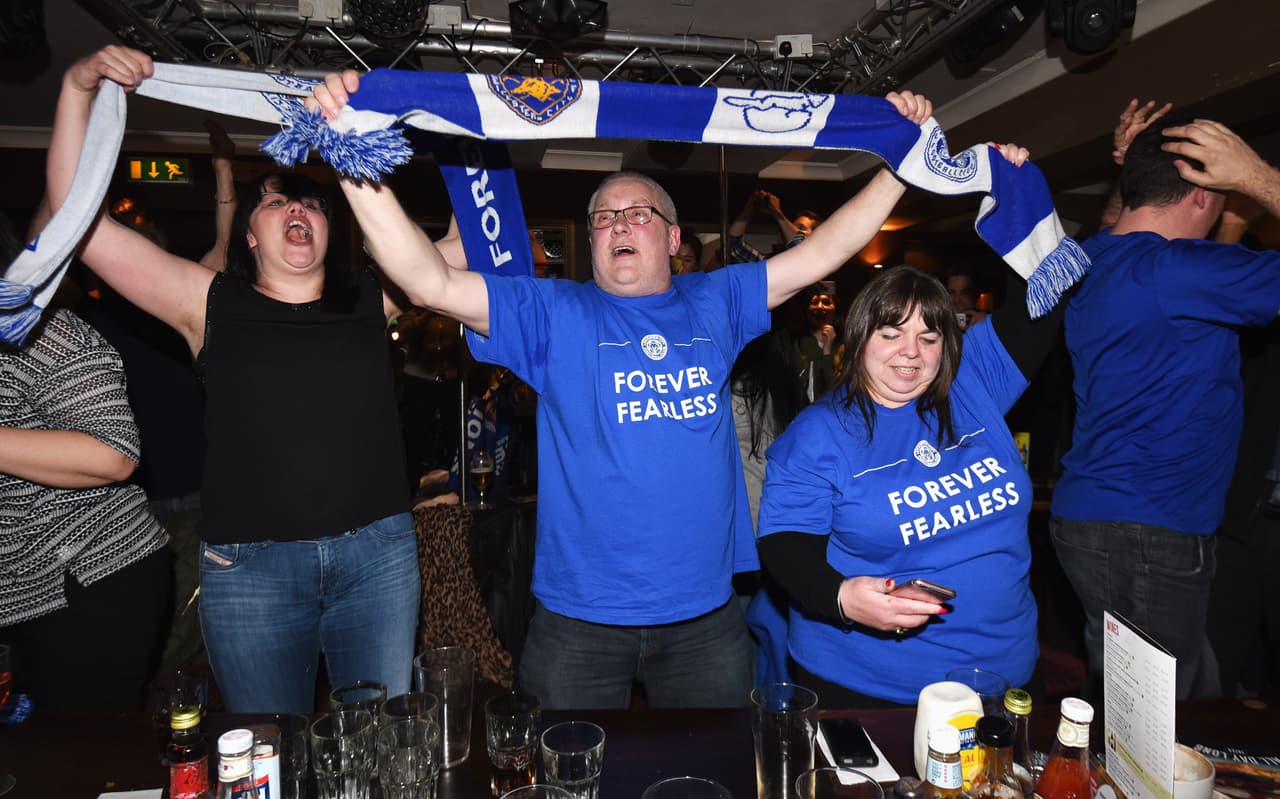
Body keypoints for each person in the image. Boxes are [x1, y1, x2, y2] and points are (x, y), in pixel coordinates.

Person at [308, 68, 939, 709]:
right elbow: (428, 283)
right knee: (562, 763)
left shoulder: (716, 300)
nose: (619, 226)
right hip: (577, 624)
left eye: (638, 215)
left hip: (705, 618)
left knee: (716, 762)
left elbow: (822, 253)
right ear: (591, 241)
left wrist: (899, 167)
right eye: (604, 219)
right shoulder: (553, 312)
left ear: (672, 238)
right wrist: (351, 152)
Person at [40, 46, 441, 712]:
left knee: (377, 747)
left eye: (311, 203)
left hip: (377, 559)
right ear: (249, 234)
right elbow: (76, 220)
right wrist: (76, 89)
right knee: (264, 750)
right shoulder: (207, 300)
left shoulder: (373, 297)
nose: (297, 209)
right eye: (276, 201)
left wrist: (453, 121)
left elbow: (483, 247)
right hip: (254, 572)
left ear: (330, 226)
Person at [756, 184, 1070, 709]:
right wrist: (841, 597)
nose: (911, 353)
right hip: (873, 687)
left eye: (929, 338)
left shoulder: (973, 383)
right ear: (859, 337)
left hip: (1005, 674)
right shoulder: (818, 433)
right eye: (891, 334)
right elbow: (785, 544)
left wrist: (1017, 188)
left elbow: (1045, 289)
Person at [1049, 106, 1280, 701]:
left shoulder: (1089, 259)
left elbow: (1121, 226)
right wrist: (1255, 177)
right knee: (1163, 716)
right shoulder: (1180, 271)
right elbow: (1190, 273)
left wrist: (1130, 170)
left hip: (1091, 519)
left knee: (1141, 694)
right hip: (1151, 530)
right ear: (1202, 193)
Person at [0, 215, 171, 713]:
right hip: (21, 581)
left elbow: (112, 452)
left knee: (76, 745)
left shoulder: (35, 327)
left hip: (83, 568)